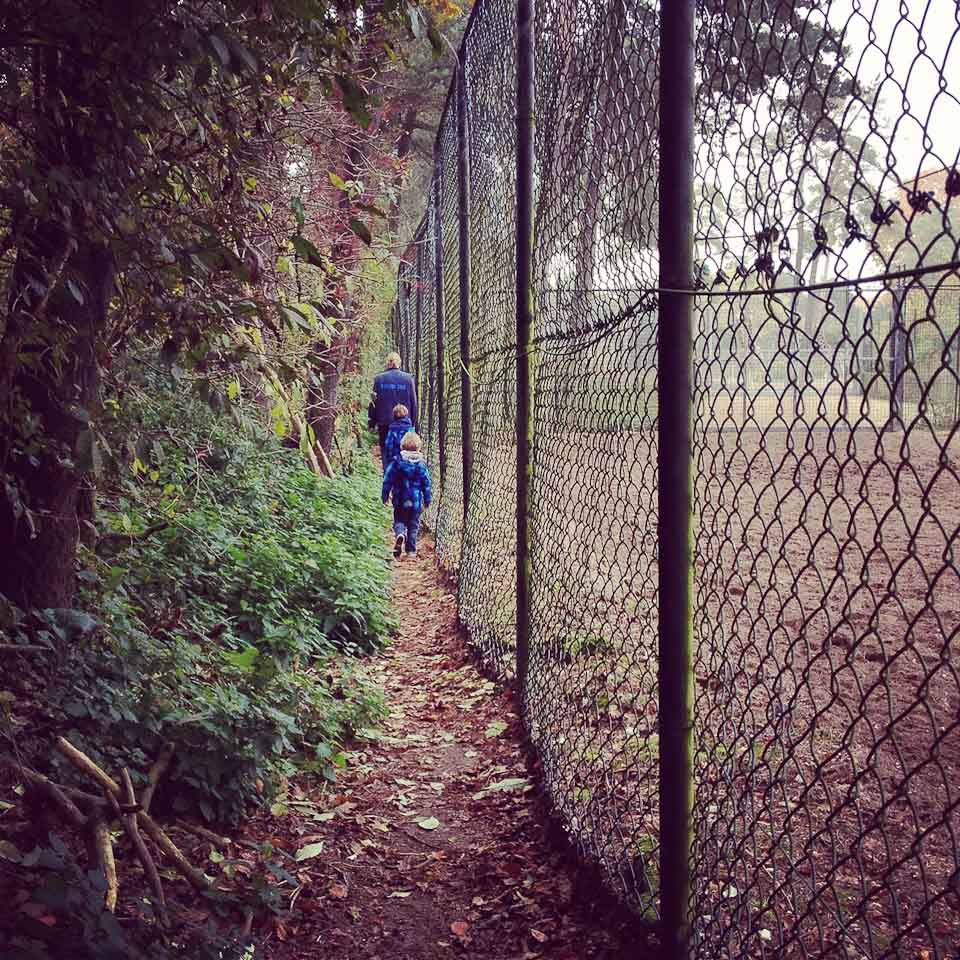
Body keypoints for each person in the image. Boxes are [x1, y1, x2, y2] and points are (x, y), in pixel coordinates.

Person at [382, 432, 432, 559]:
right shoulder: (421, 465)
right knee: (413, 525)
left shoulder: (397, 462)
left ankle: (400, 534)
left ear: (402, 446)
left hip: (400, 499)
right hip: (416, 501)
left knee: (399, 520)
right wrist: (427, 499)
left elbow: (388, 479)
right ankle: (410, 551)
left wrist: (385, 495)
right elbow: (426, 484)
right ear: (418, 447)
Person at [368, 352, 418, 466]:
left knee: (386, 450)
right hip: (404, 424)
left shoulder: (379, 379)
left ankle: (388, 475)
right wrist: (413, 424)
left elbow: (373, 402)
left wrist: (372, 422)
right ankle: (401, 477)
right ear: (399, 363)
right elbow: (413, 403)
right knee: (404, 451)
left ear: (387, 363)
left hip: (384, 423)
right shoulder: (408, 379)